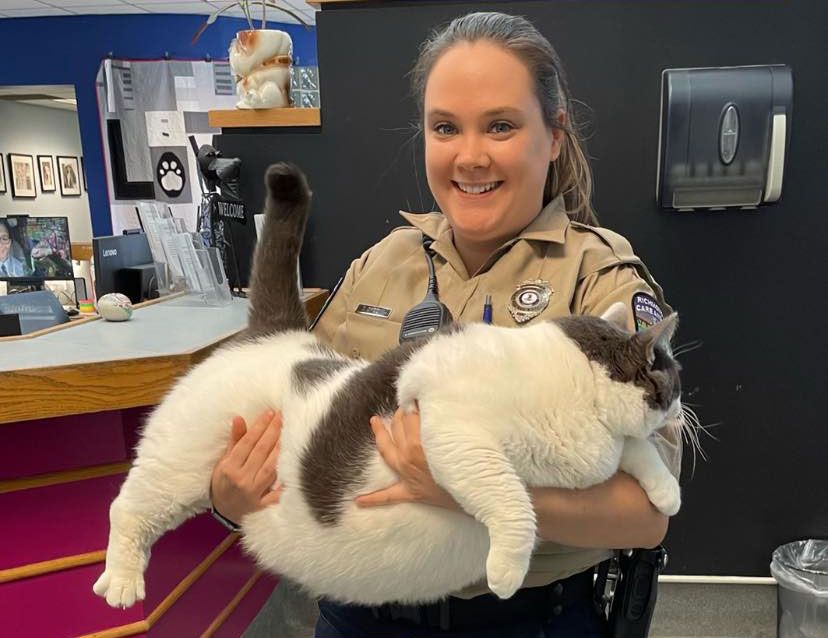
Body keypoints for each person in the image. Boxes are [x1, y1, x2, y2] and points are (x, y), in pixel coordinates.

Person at [211, 11, 682, 638]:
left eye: (501, 126)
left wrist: (467, 490)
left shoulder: (600, 282)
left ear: (555, 135)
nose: (470, 156)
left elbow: (646, 514)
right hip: (362, 609)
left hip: (523, 616)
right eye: (445, 128)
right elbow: (288, 414)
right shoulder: (382, 265)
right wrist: (229, 493)